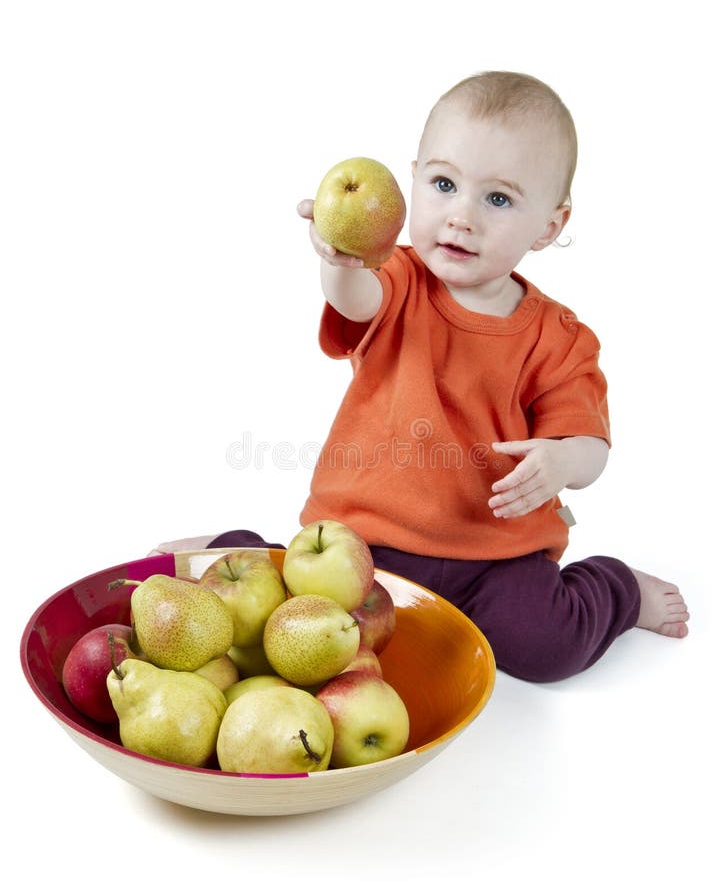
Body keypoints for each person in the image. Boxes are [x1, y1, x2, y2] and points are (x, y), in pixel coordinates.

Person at [152, 71, 689, 682]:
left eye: (498, 199)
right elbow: (357, 300)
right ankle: (230, 553)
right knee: (291, 618)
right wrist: (343, 258)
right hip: (363, 542)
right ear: (411, 182)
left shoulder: (559, 337)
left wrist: (562, 462)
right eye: (444, 184)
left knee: (549, 647)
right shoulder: (400, 281)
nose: (461, 217)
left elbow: (591, 448)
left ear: (549, 225)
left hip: (495, 557)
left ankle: (619, 590)